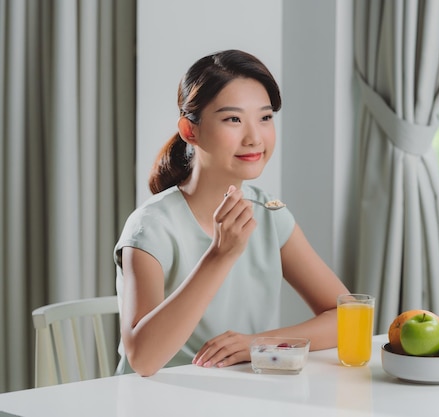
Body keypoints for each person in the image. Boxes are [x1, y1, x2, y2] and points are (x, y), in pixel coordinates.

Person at [113, 49, 350, 377]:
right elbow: (143, 359)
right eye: (233, 119)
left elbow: (349, 316)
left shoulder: (270, 214)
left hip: (240, 397)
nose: (254, 137)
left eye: (265, 117)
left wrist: (258, 343)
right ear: (189, 130)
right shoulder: (150, 227)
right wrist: (220, 255)